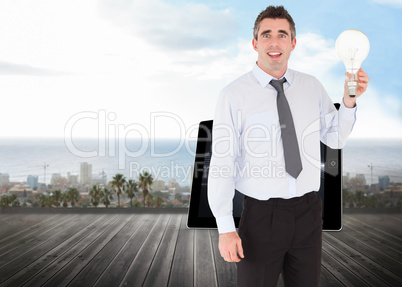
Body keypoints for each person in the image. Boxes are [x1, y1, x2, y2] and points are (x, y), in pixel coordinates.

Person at [207, 5, 369, 287]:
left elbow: (335, 138)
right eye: (266, 34)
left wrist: (348, 101)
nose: (274, 42)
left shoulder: (311, 86)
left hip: (308, 214)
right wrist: (224, 228)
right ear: (255, 43)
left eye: (282, 35)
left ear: (292, 43)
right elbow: (222, 162)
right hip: (260, 218)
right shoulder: (233, 95)